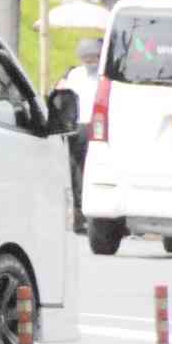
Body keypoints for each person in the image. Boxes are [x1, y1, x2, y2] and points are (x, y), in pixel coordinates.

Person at [57, 37, 101, 234]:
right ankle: (78, 213)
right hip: (77, 127)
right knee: (76, 170)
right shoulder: (75, 74)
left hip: (94, 126)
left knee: (88, 170)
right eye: (86, 58)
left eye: (94, 58)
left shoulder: (103, 75)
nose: (90, 62)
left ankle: (88, 212)